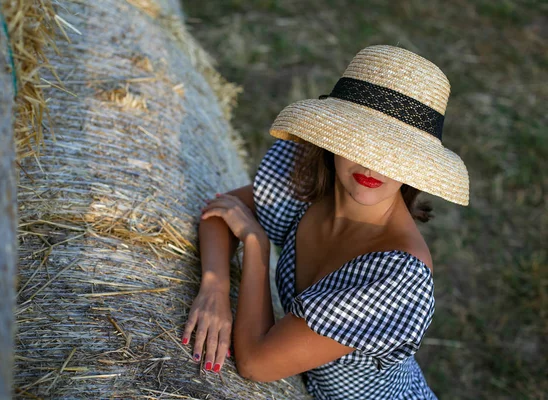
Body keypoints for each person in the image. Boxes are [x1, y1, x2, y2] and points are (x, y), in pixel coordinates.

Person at [181, 45, 469, 399]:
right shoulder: (309, 184)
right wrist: (214, 287)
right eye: (358, 141)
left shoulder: (398, 276)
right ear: (332, 138)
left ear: (416, 167)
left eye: (394, 154)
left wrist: (255, 245)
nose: (370, 165)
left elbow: (256, 363)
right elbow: (221, 213)